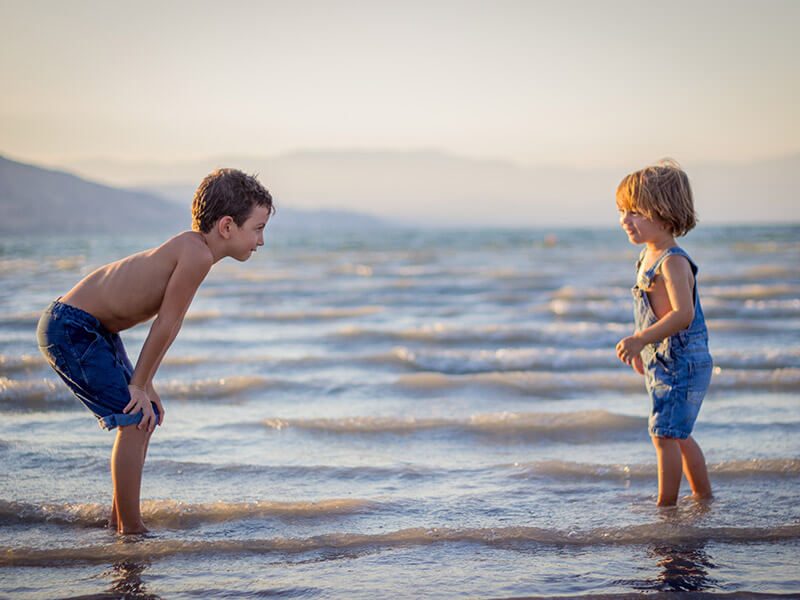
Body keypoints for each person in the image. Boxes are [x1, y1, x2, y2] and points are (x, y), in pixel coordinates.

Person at [36, 168, 274, 533]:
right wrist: (138, 385)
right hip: (71, 327)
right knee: (132, 419)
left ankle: (120, 521)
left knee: (146, 416)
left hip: (93, 329)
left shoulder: (194, 250)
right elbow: (167, 323)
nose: (260, 241)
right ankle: (130, 530)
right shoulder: (196, 255)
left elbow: (165, 325)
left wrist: (146, 385)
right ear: (227, 226)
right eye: (257, 228)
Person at [614, 159, 713, 507]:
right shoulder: (646, 256)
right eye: (622, 211)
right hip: (664, 359)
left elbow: (683, 315)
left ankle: (666, 507)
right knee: (678, 434)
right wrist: (644, 349)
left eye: (634, 212)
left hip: (683, 360)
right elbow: (650, 314)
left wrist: (641, 340)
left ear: (663, 212)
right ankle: (703, 498)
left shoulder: (672, 261)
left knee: (664, 435)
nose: (624, 219)